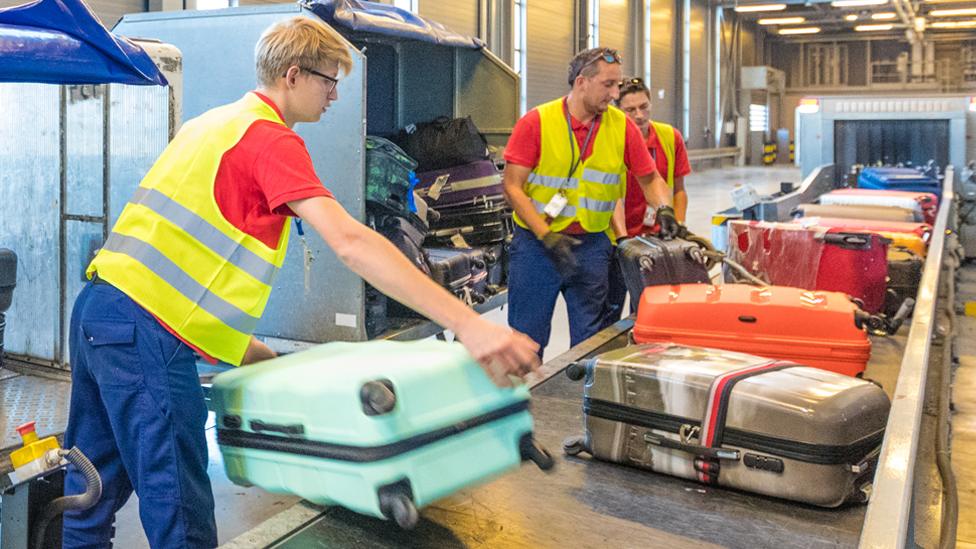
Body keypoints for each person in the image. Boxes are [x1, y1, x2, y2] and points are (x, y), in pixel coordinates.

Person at [62, 17, 540, 549]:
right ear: (293, 75)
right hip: (145, 334)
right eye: (329, 80)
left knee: (90, 489)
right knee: (178, 506)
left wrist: (265, 357)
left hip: (101, 315)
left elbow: (180, 271)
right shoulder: (271, 140)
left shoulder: (215, 123)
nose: (335, 94)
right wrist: (472, 327)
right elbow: (351, 242)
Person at [502, 47, 678, 356]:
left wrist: (664, 208)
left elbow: (649, 179)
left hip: (592, 248)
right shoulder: (536, 122)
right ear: (582, 82)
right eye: (608, 84)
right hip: (536, 247)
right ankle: (523, 402)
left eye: (617, 85)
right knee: (526, 343)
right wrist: (545, 235)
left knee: (590, 342)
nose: (614, 94)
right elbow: (513, 187)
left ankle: (578, 402)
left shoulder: (621, 127)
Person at [600, 76, 693, 327]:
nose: (639, 115)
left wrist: (678, 224)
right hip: (616, 240)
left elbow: (679, 189)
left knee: (650, 311)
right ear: (616, 110)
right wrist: (623, 241)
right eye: (630, 110)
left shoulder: (669, 138)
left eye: (644, 107)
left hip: (655, 239)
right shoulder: (608, 140)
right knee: (609, 313)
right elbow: (611, 195)